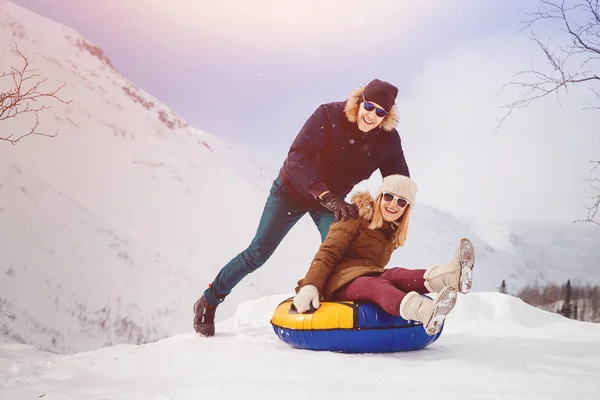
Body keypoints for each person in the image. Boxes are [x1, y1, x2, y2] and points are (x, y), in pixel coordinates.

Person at [194, 79, 411, 336]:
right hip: (292, 191)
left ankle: (336, 309)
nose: (371, 115)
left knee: (343, 251)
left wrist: (395, 215)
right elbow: (298, 156)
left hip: (334, 202)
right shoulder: (329, 115)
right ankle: (209, 299)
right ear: (359, 101)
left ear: (387, 116)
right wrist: (326, 195)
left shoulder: (387, 140)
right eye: (368, 106)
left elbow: (399, 182)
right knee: (258, 252)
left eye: (380, 112)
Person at [292, 174, 476, 336]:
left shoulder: (390, 233)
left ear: (406, 209)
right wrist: (310, 285)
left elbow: (373, 269)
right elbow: (328, 252)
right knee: (377, 283)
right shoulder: (354, 215)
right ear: (380, 197)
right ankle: (425, 312)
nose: (393, 204)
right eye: (389, 197)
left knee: (396, 275)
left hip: (366, 275)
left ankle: (450, 277)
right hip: (337, 282)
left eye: (401, 202)